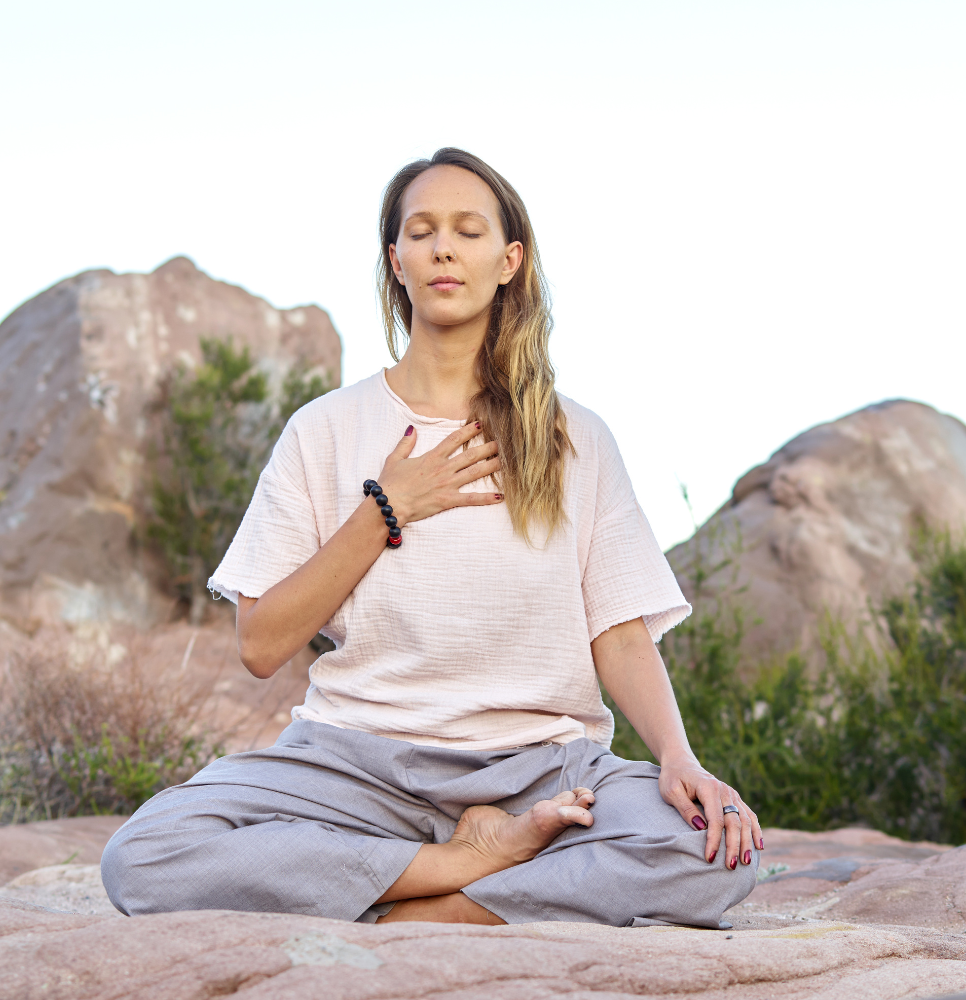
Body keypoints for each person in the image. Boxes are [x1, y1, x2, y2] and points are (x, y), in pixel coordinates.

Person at [102, 148, 761, 927]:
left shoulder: (575, 438)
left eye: (468, 231)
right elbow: (261, 642)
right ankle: (465, 866)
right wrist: (385, 510)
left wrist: (680, 760)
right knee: (146, 855)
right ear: (397, 261)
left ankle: (425, 912)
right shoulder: (324, 429)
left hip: (541, 770)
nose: (444, 248)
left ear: (509, 260)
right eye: (422, 232)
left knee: (709, 853)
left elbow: (617, 633)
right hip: (352, 764)